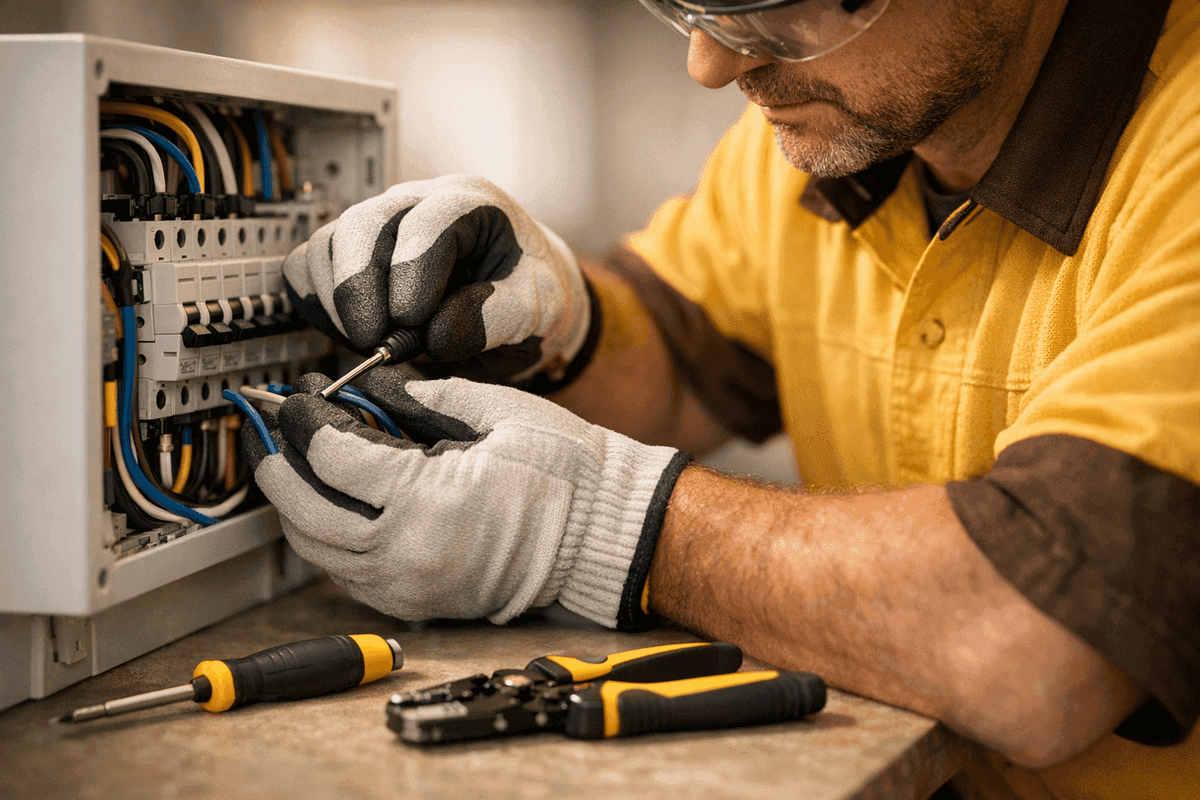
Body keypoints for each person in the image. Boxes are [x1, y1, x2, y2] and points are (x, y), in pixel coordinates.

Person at [243, 0, 1199, 796]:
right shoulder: (834, 128)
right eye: (688, 3)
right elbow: (682, 355)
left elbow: (1034, 641)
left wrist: (604, 529)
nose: (711, 63)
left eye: (778, 7)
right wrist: (564, 323)